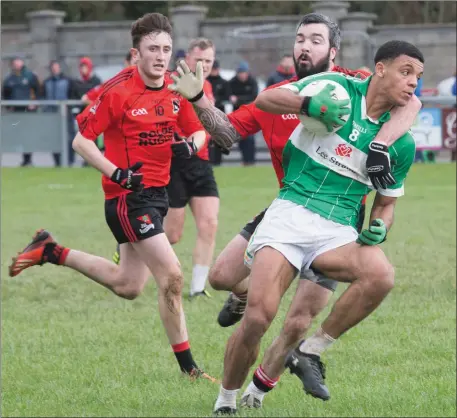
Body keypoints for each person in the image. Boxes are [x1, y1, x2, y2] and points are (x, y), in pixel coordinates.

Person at [168, 13, 423, 412]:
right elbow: (229, 133)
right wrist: (199, 99)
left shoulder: (355, 81)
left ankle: (266, 384)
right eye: (300, 38)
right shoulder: (292, 93)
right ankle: (242, 314)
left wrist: (381, 149)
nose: (305, 46)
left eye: (315, 40)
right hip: (288, 207)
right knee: (228, 284)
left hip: (341, 221)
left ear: (333, 51)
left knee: (300, 320)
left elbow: (410, 100)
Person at [8, 12, 216, 383]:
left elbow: (199, 131)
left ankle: (51, 250)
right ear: (135, 53)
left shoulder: (175, 89)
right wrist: (116, 173)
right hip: (127, 197)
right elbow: (81, 141)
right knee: (171, 276)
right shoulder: (118, 91)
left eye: (166, 49)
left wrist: (191, 144)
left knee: (128, 286)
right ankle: (191, 371)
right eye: (153, 48)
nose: (160, 56)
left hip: (158, 194)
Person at [163, 38, 220, 299]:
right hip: (174, 161)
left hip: (201, 162)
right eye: (200, 60)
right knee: (172, 234)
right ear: (187, 59)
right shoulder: (172, 84)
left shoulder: (206, 85)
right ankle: (131, 247)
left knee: (209, 223)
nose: (205, 65)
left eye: (209, 60)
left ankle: (197, 288)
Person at [2, 57, 40, 167]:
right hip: (15, 112)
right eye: (15, 62)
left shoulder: (30, 76)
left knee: (28, 135)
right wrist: (8, 106)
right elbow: (5, 93)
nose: (17, 64)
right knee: (14, 135)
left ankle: (27, 159)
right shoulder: (9, 79)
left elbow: (38, 91)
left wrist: (35, 103)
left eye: (19, 61)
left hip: (28, 112)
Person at [41, 60, 76, 167]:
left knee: (69, 137)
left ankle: (69, 161)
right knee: (54, 138)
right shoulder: (46, 82)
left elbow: (72, 95)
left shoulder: (68, 81)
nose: (55, 69)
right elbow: (43, 97)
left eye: (56, 67)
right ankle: (57, 161)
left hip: (66, 114)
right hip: (52, 115)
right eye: (53, 67)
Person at [228, 61, 259, 165]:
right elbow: (229, 97)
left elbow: (254, 97)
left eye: (244, 72)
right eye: (240, 73)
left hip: (250, 114)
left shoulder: (253, 82)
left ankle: (251, 160)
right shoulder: (232, 82)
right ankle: (245, 161)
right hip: (237, 115)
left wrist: (239, 99)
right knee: (241, 138)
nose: (242, 75)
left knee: (250, 139)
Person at [207, 60, 231, 165]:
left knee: (218, 139)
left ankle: (218, 161)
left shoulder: (224, 82)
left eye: (215, 69)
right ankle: (209, 160)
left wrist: (216, 100)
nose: (214, 71)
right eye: (213, 69)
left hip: (219, 113)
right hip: (206, 114)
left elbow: (227, 97)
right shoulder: (205, 82)